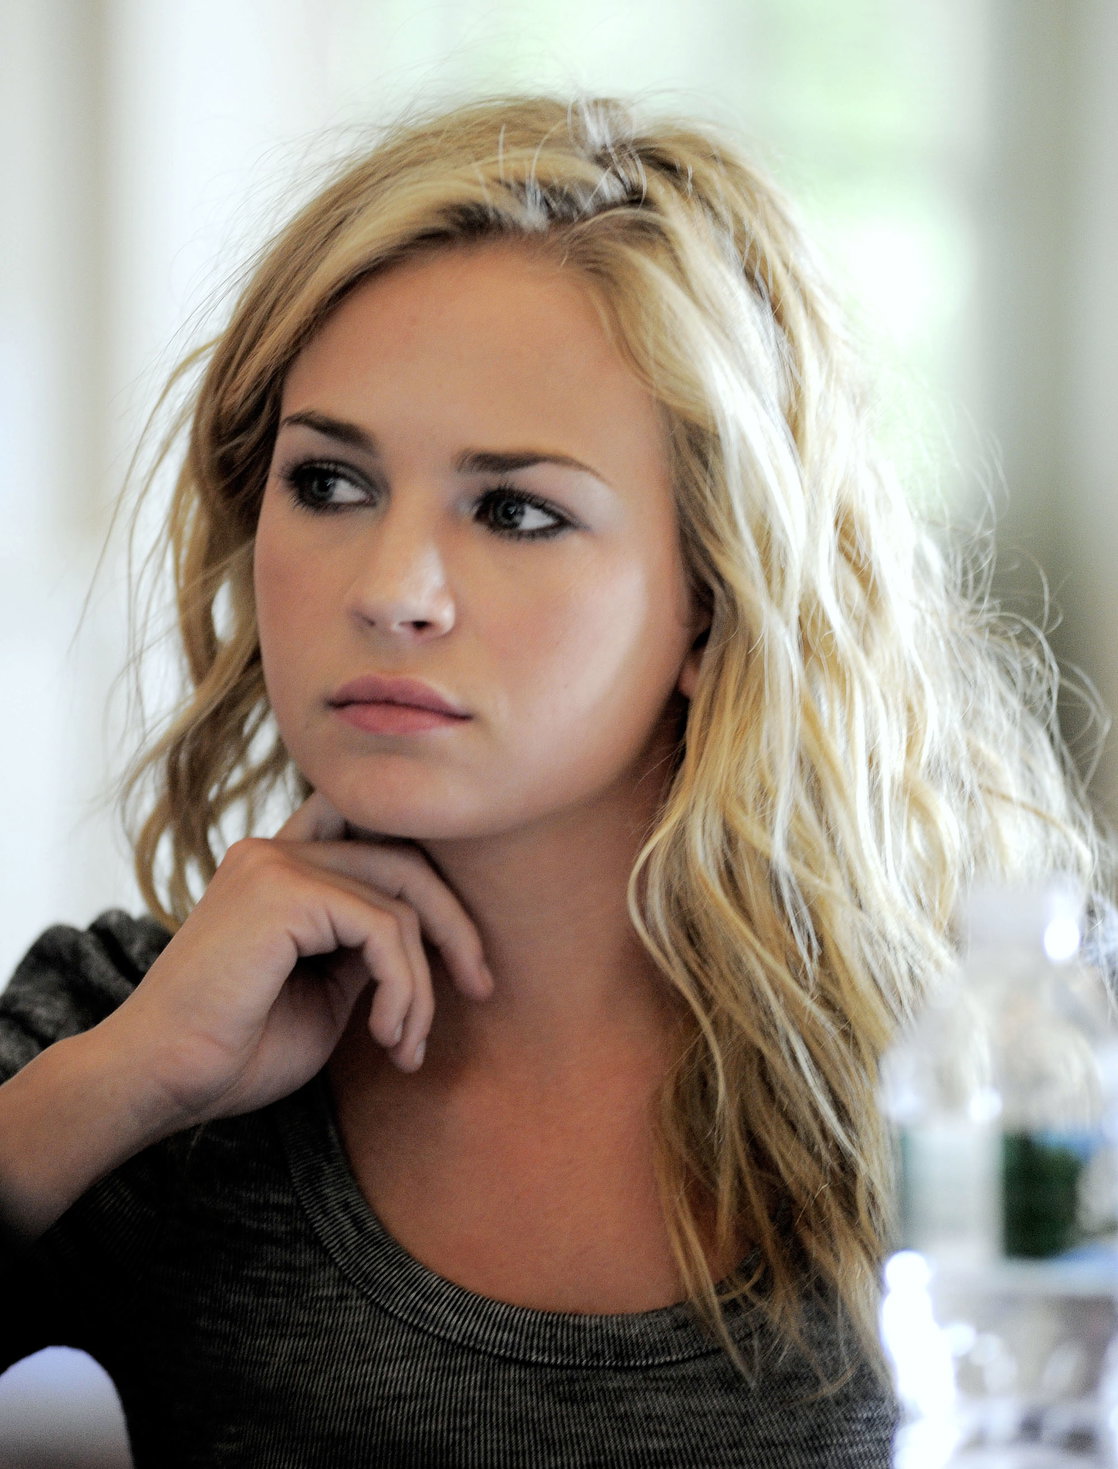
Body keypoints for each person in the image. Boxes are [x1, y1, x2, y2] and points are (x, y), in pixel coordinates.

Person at [0, 94, 1107, 1468]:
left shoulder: (1022, 1050)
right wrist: (121, 1086)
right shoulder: (123, 1035)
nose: (392, 589)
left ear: (712, 600)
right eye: (330, 483)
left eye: (516, 510)